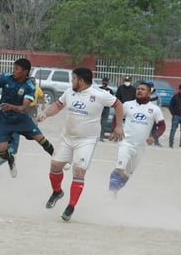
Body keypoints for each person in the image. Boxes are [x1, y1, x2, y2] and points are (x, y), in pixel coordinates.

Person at [38, 67, 124, 222]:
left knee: (78, 171)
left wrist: (119, 126)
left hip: (86, 140)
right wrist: (45, 114)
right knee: (55, 165)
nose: (72, 81)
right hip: (67, 137)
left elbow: (118, 105)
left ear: (81, 81)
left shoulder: (100, 94)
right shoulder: (69, 92)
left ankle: (70, 207)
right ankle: (57, 192)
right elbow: (58, 105)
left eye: (74, 79)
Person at [0, 58, 55, 177]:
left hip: (21, 119)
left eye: (17, 69)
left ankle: (56, 156)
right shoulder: (6, 77)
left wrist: (11, 107)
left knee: (41, 139)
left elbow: (24, 108)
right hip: (3, 119)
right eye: (13, 68)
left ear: (25, 71)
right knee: (1, 150)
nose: (14, 71)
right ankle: (10, 159)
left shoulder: (29, 86)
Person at [108, 82, 165, 196]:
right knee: (120, 167)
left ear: (149, 92)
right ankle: (109, 194)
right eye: (138, 89)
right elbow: (117, 117)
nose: (139, 91)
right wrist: (115, 129)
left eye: (143, 89)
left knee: (127, 174)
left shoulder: (154, 109)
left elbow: (162, 125)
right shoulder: (128, 104)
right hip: (125, 142)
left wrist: (154, 137)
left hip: (140, 147)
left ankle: (115, 191)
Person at [147, 81, 162, 146]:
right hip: (147, 114)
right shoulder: (146, 95)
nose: (151, 88)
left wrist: (157, 111)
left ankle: (156, 142)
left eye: (151, 86)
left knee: (154, 129)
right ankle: (147, 141)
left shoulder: (157, 95)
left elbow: (160, 103)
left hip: (154, 114)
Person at [99, 77, 114, 141]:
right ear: (102, 82)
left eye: (106, 81)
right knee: (97, 122)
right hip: (99, 108)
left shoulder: (110, 91)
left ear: (108, 82)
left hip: (106, 108)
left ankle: (101, 137)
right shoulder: (99, 89)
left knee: (103, 123)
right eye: (104, 81)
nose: (105, 83)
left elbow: (112, 99)